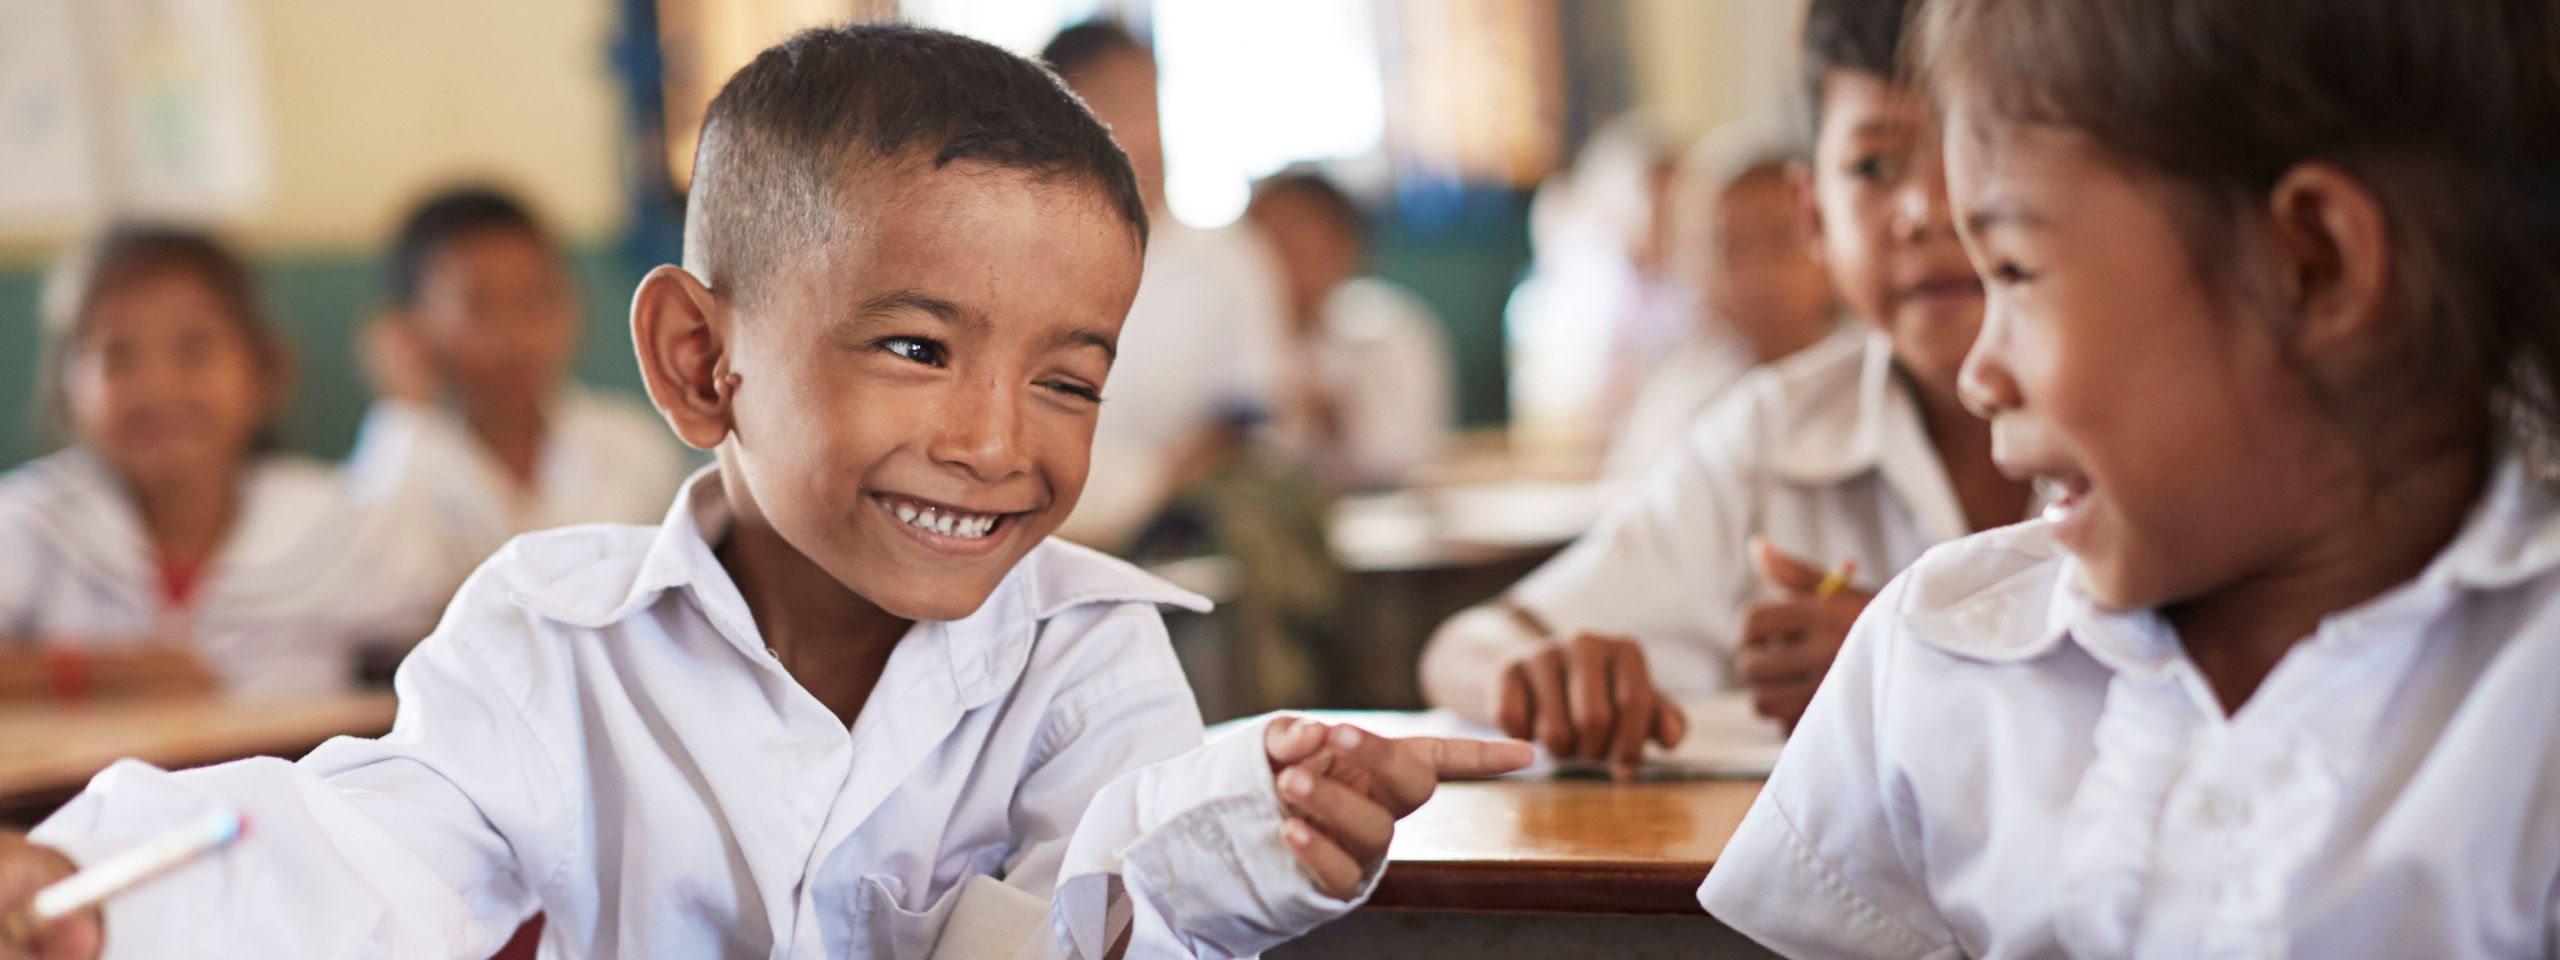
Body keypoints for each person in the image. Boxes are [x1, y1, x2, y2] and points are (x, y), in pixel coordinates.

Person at [0, 25, 1527, 959]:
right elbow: (366, 854)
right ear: (696, 359)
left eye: (1071, 378)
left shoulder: (1080, 653)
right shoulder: (552, 640)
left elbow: (1103, 889)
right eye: (919, 346)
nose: (1000, 440)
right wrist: (96, 889)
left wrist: (1242, 838)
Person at [1701, 1, 2560, 955]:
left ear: (2312, 263)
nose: (1981, 375)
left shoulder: (2531, 699)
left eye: (2017, 273)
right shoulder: (1937, 662)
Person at [1417, 0, 2037, 778]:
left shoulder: (2145, 415)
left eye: (1973, 150)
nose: (1927, 210)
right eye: (1874, 166)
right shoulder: (1770, 432)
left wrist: (1914, 661)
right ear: (1814, 213)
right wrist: (1538, 678)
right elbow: (1466, 646)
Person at [0, 228, 441, 700]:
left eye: (194, 348)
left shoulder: (349, 525)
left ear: (265, 369)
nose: (158, 387)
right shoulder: (29, 523)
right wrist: (91, 671)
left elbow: (445, 649)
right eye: (117, 355)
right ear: (65, 389)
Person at [349, 186, 689, 586]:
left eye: (537, 298)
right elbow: (382, 592)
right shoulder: (403, 456)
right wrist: (403, 408)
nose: (517, 336)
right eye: (479, 306)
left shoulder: (634, 446)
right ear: (411, 325)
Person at [1039, 20, 1293, 552]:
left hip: (1180, 533)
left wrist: (1147, 493)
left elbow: (1245, 415)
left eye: (1147, 101)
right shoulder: (1027, 260)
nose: (1141, 129)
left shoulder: (1228, 259)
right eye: (1112, 103)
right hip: (1044, 523)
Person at [1601, 126, 1841, 484]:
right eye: (1730, 247)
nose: (1759, 274)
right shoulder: (1683, 398)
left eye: (1781, 239)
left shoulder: (1877, 380)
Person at [1243, 168, 1455, 493]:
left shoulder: (1389, 330)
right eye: (1269, 242)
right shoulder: (1229, 347)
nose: (1282, 263)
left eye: (1301, 243)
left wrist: (1334, 418)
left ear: (1345, 247)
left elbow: (1411, 455)